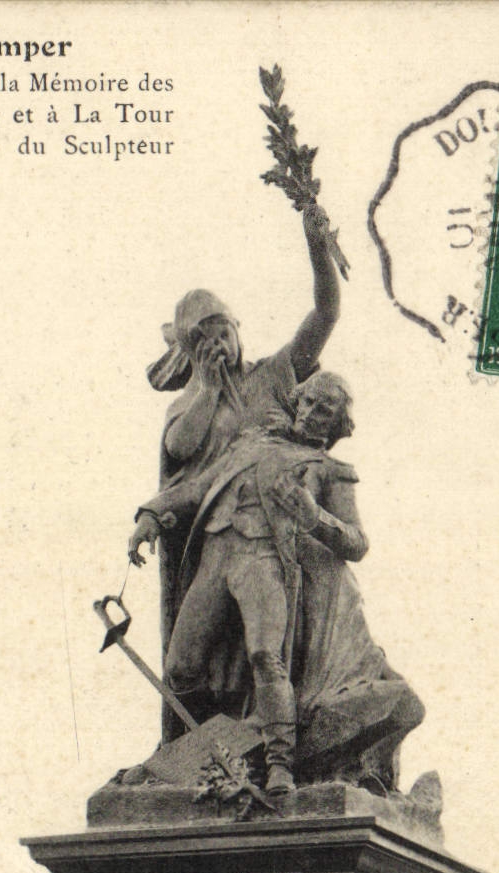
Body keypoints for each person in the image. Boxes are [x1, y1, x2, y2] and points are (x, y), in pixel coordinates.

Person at [127, 373, 423, 799]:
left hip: (265, 562)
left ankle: (279, 764)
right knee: (180, 667)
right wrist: (150, 516)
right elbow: (194, 489)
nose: (313, 414)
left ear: (337, 426)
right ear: (297, 401)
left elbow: (357, 543)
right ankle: (202, 753)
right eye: (310, 402)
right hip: (216, 555)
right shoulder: (248, 445)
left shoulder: (331, 471)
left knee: (267, 657)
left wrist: (312, 516)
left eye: (326, 411)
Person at [139, 203, 343, 736]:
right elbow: (182, 454)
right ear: (189, 350)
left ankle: (271, 752)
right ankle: (199, 751)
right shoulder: (188, 404)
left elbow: (324, 315)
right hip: (206, 544)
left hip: (273, 545)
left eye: (221, 329)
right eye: (201, 338)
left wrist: (318, 245)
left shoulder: (273, 377)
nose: (216, 343)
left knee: (264, 656)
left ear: (237, 328)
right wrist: (206, 389)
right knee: (189, 665)